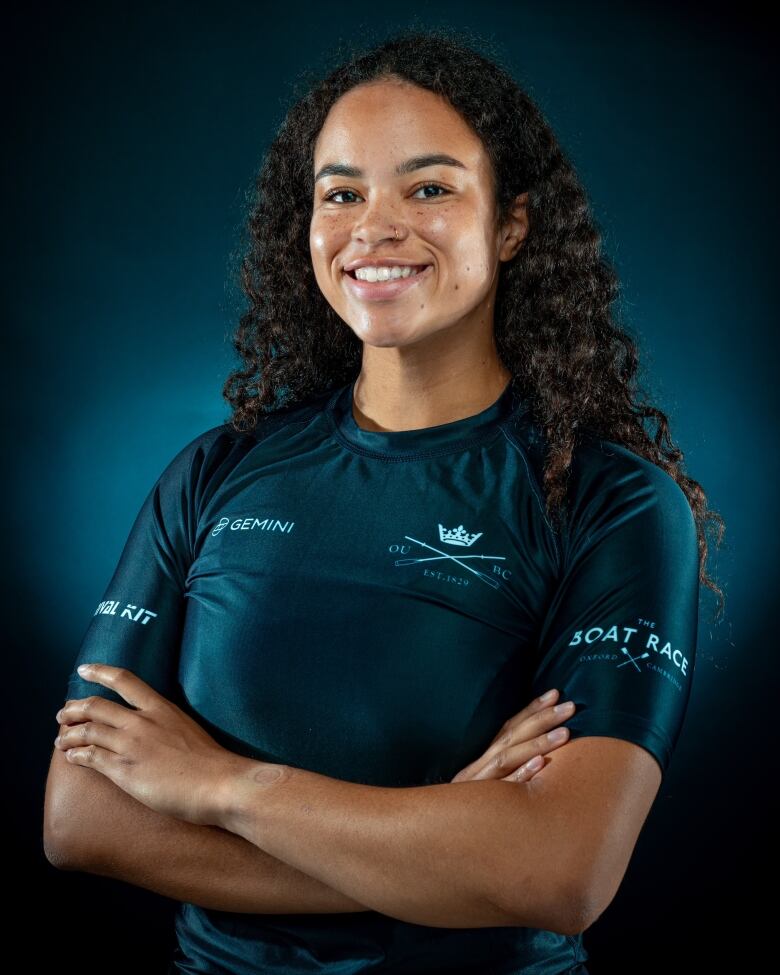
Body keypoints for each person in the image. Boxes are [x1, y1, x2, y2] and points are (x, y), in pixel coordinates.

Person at [43, 27, 725, 975]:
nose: (375, 227)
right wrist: (447, 832)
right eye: (342, 193)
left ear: (513, 223)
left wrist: (220, 786)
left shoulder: (612, 503)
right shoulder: (214, 471)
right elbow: (81, 819)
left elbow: (560, 870)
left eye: (430, 187)